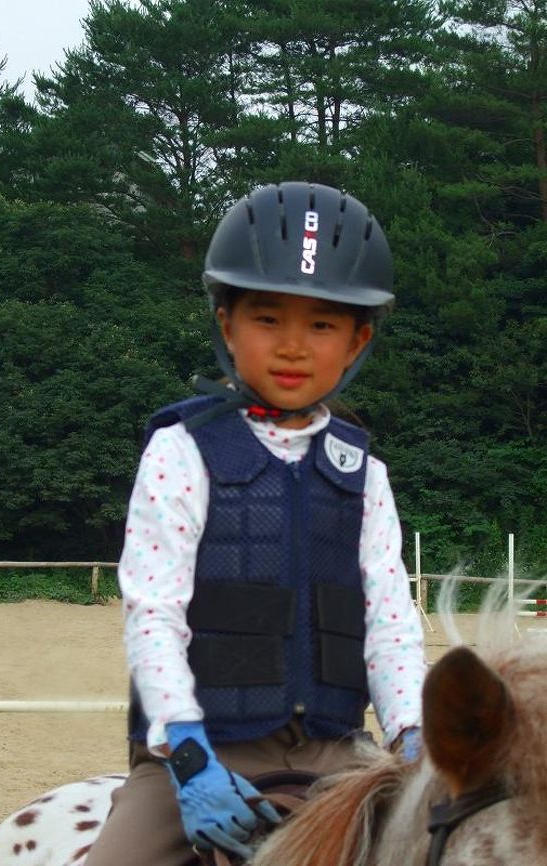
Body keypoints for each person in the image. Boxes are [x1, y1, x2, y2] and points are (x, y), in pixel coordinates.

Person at [85, 182, 426, 866]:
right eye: (268, 319)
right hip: (203, 749)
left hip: (339, 754)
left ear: (358, 339)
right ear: (225, 324)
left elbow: (390, 621)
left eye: (322, 325)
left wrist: (414, 739)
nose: (294, 347)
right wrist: (186, 755)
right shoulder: (182, 451)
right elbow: (154, 612)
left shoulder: (367, 475)